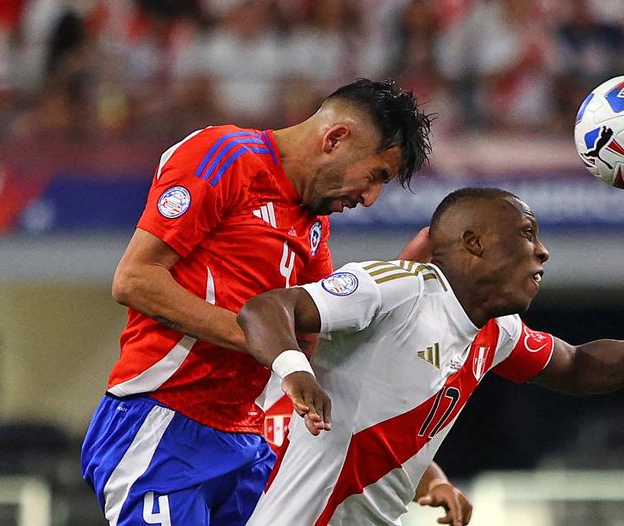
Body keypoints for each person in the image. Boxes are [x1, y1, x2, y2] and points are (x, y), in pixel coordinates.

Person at [80, 79, 469, 525]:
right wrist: (271, 347)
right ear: (335, 138)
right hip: (161, 420)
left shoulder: (315, 227)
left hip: (247, 442)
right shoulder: (223, 156)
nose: (369, 198)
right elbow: (134, 279)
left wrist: (427, 473)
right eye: (376, 175)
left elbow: (321, 357)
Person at [237, 187, 624, 525]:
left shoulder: (497, 331)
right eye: (527, 233)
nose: (543, 252)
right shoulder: (399, 288)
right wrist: (295, 370)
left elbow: (578, 366)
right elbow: (265, 308)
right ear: (475, 243)